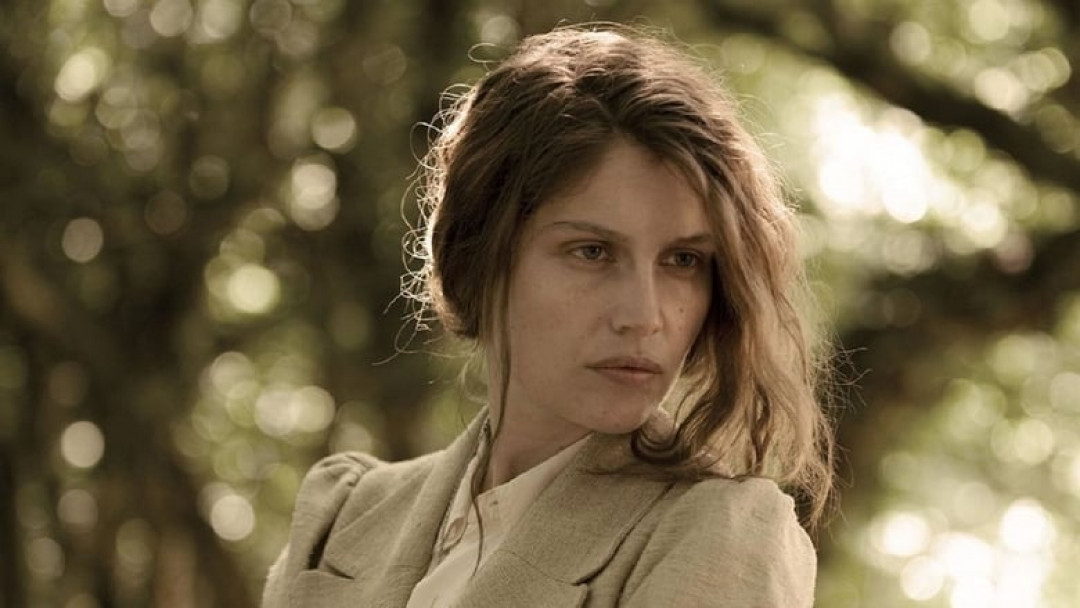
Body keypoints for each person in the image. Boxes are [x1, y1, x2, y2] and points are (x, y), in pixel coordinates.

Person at [263, 22, 835, 608]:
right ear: (479, 255)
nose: (644, 316)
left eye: (683, 260)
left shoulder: (719, 532)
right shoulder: (343, 515)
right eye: (593, 251)